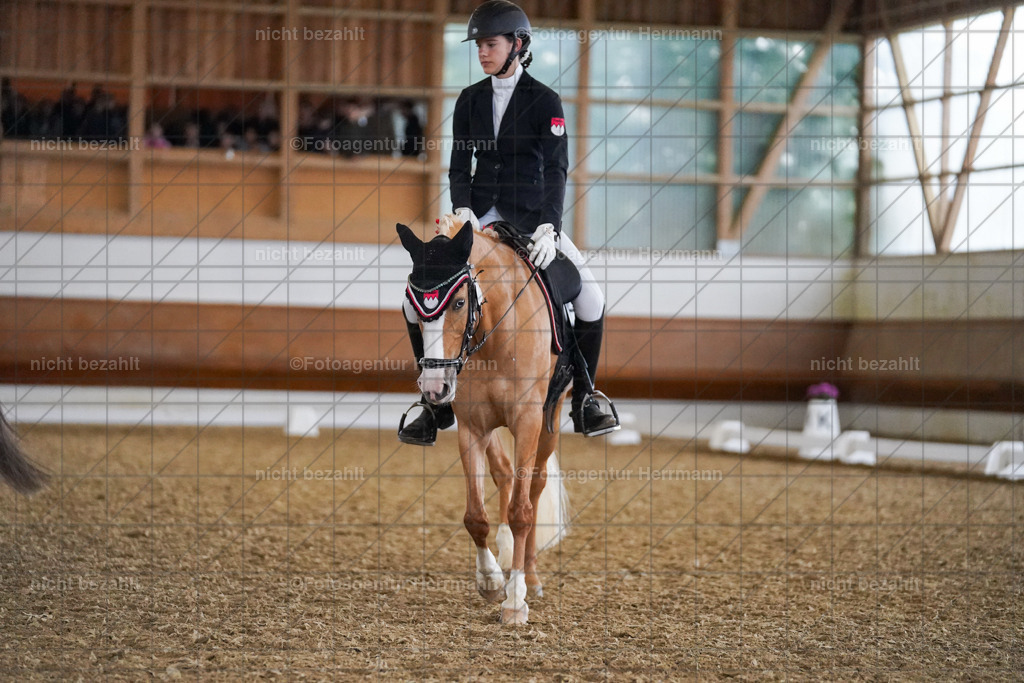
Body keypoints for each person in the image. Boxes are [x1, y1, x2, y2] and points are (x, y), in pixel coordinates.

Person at [398, 0, 618, 445]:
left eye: (490, 44)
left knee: (592, 298)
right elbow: (459, 167)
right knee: (412, 300)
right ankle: (430, 403)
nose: (482, 52)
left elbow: (557, 170)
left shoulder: (545, 101)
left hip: (533, 219)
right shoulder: (469, 100)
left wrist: (550, 228)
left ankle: (585, 398)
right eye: (479, 45)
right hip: (475, 217)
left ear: (518, 44)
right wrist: (463, 210)